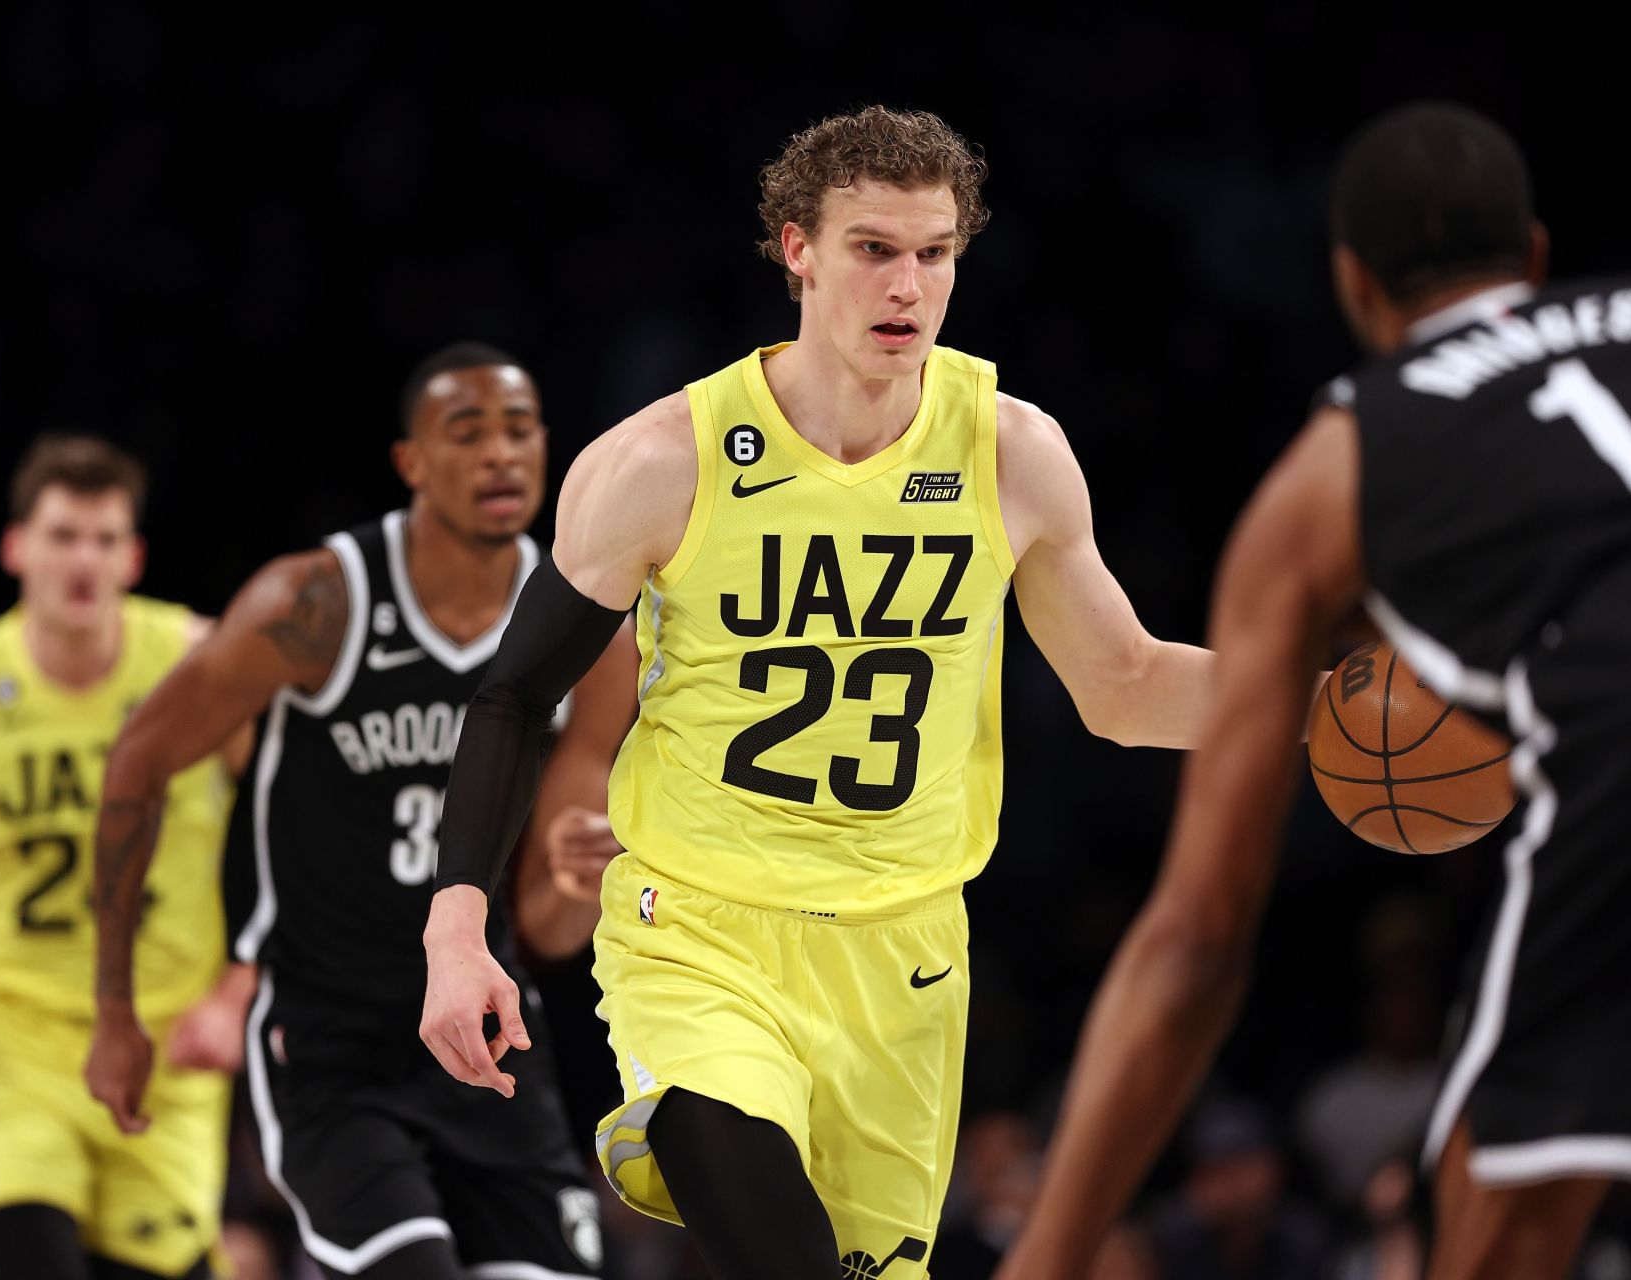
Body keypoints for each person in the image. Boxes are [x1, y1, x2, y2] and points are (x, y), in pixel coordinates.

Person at [419, 106, 1214, 1280]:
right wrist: (455, 924)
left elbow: (1126, 686)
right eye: (873, 249)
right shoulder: (661, 462)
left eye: (935, 253)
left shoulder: (1012, 452)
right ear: (798, 249)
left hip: (906, 954)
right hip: (699, 935)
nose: (908, 285)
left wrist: (1326, 703)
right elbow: (511, 692)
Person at [998, 102, 1631, 1280]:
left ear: (1353, 287)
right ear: (1540, 256)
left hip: (1627, 751)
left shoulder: (1337, 463)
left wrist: (1046, 1254)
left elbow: (1196, 940)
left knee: (1494, 1199)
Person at [84, 342, 637, 1280]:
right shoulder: (317, 603)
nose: (501, 455)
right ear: (412, 463)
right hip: (331, 1038)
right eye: (468, 433)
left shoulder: (594, 631)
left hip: (486, 1035)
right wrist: (114, 1007)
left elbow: (544, 926)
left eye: (519, 430)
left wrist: (582, 878)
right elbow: (139, 761)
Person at [0, 436, 251, 1280]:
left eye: (105, 540)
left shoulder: (202, 665)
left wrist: (241, 988)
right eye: (64, 535)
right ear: (15, 547)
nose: (84, 560)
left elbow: (307, 849)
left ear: (134, 556)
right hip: (11, 1042)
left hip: (164, 1048)